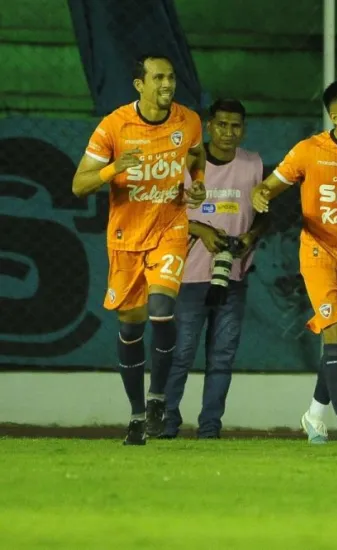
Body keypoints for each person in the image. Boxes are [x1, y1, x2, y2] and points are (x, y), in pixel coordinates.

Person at [71, 54, 207, 445]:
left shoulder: (189, 121)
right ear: (139, 84)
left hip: (170, 227)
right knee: (131, 327)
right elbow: (79, 185)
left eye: (171, 77)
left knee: (162, 310)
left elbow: (196, 155)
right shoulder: (114, 126)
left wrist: (196, 181)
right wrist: (114, 168)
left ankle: (158, 398)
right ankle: (135, 414)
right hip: (126, 239)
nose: (167, 84)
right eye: (159, 77)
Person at [252, 79, 337, 445]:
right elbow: (267, 187)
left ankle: (314, 414)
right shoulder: (308, 151)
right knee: (333, 333)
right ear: (335, 116)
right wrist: (260, 195)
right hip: (319, 254)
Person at [160, 99, 266, 439]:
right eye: (222, 125)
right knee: (181, 353)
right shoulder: (188, 162)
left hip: (233, 274)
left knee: (222, 356)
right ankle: (166, 421)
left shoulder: (252, 163)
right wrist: (201, 230)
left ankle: (210, 427)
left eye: (236, 126)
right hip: (188, 274)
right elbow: (164, 213)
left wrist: (250, 236)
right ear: (209, 126)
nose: (229, 132)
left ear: (243, 129)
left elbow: (264, 212)